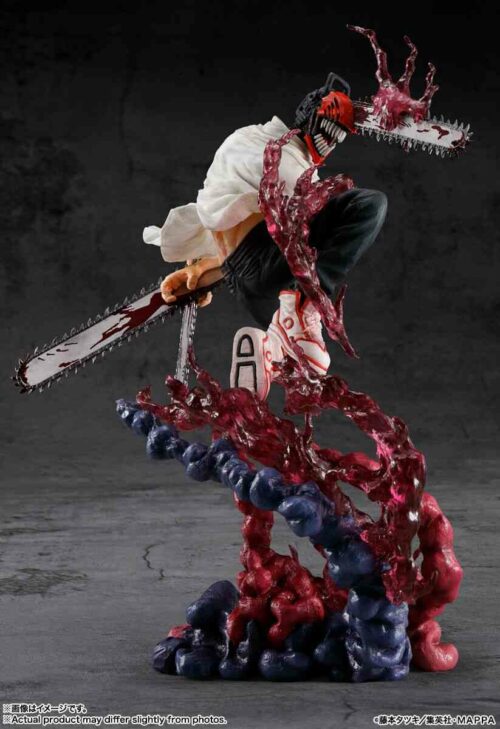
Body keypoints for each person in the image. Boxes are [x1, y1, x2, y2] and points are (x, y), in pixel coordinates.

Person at [144, 73, 387, 399]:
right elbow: (275, 225)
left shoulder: (255, 144)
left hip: (249, 285)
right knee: (368, 204)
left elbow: (229, 216)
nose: (331, 143)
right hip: (268, 263)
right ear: (310, 119)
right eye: (329, 132)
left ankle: (269, 351)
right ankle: (300, 307)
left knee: (313, 361)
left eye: (338, 138)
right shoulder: (275, 151)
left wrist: (203, 270)